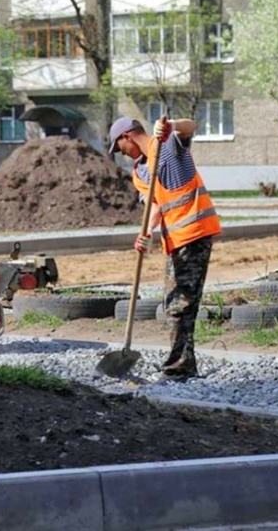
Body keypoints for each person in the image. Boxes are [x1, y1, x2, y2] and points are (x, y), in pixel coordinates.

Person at [108, 115, 221, 377]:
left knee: (179, 304)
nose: (121, 154)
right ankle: (183, 363)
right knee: (173, 301)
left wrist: (172, 125)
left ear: (128, 136)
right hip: (175, 240)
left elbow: (192, 125)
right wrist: (146, 232)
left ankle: (178, 368)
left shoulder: (168, 146)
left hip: (195, 233)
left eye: (119, 147)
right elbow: (155, 204)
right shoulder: (140, 171)